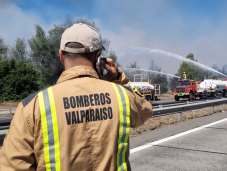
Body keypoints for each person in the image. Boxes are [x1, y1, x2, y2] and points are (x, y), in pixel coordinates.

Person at [0, 23, 153, 171]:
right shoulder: (122, 95)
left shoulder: (32, 106)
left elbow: (12, 166)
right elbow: (145, 111)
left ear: (61, 55)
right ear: (98, 56)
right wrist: (118, 78)